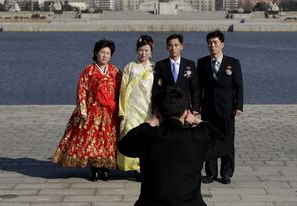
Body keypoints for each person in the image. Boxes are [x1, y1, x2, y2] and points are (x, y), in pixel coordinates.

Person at [118, 87, 226, 206]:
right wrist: (198, 121)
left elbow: (123, 146)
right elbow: (223, 144)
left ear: (157, 112)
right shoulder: (197, 137)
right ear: (185, 112)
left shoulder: (148, 136)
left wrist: (149, 123)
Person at [52, 39, 122, 181]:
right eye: (102, 52)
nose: (104, 56)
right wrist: (82, 109)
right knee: (93, 140)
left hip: (110, 112)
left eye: (108, 53)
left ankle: (106, 168)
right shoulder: (88, 71)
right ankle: (95, 168)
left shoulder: (115, 71)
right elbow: (81, 90)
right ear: (96, 53)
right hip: (93, 111)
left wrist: (120, 109)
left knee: (108, 141)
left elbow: (121, 91)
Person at [196, 29, 243, 184]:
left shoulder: (233, 63)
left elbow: (239, 87)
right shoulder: (202, 62)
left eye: (215, 42)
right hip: (208, 109)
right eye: (210, 43)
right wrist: (196, 106)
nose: (212, 45)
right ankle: (210, 173)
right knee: (209, 141)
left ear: (222, 44)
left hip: (227, 109)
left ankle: (227, 172)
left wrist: (238, 106)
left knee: (227, 141)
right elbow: (198, 87)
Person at [117, 35, 155, 179]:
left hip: (147, 108)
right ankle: (135, 167)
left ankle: (145, 166)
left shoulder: (154, 68)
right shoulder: (129, 67)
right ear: (136, 51)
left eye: (146, 50)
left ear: (151, 51)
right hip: (132, 107)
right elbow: (123, 89)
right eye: (140, 50)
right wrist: (122, 109)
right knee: (131, 133)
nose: (143, 53)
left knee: (147, 137)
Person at [153, 33, 200, 114]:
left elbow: (194, 88)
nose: (173, 48)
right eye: (170, 45)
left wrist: (195, 108)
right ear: (167, 47)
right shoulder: (160, 65)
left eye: (176, 45)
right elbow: (156, 89)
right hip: (166, 108)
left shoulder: (190, 64)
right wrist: (156, 107)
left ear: (181, 46)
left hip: (185, 109)